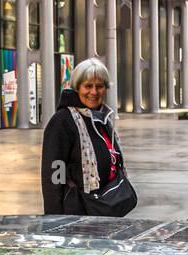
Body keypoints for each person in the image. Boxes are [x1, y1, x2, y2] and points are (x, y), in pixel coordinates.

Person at [41, 58, 136, 217]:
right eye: (88, 86)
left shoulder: (103, 118)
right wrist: (54, 218)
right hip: (77, 212)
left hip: (104, 207)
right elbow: (54, 174)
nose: (94, 92)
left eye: (99, 86)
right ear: (77, 88)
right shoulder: (63, 121)